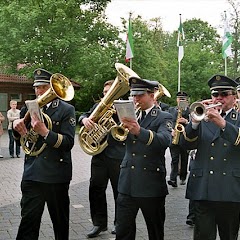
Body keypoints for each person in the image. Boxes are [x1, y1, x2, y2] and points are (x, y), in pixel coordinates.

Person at [13, 68, 76, 240]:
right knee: (28, 222)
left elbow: (69, 143)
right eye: (36, 87)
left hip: (56, 175)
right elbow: (21, 137)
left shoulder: (66, 109)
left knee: (60, 223)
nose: (39, 91)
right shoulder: (28, 107)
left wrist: (45, 132)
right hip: (32, 173)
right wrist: (16, 128)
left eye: (43, 87)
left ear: (52, 88)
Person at [181, 74, 240, 240]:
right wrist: (194, 122)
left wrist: (222, 123)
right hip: (203, 188)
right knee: (203, 236)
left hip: (230, 189)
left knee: (229, 235)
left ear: (234, 97)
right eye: (215, 95)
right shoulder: (203, 117)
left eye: (224, 94)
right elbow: (186, 144)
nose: (219, 98)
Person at [116, 77, 173, 240]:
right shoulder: (128, 114)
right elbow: (114, 139)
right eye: (133, 95)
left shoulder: (163, 116)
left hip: (151, 184)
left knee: (155, 231)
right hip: (127, 183)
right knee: (123, 231)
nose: (135, 99)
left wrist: (139, 131)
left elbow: (164, 141)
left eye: (140, 95)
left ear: (152, 95)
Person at [78, 80, 126, 238]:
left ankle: (119, 223)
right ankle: (99, 224)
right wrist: (84, 120)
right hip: (99, 155)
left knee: (118, 191)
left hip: (117, 155)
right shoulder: (99, 106)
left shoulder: (123, 107)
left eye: (109, 91)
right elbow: (85, 114)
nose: (106, 94)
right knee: (95, 189)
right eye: (105, 92)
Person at [167, 91, 190, 187]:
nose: (181, 100)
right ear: (176, 100)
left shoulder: (189, 111)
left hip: (184, 138)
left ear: (186, 100)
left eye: (183, 99)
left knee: (184, 159)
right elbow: (167, 122)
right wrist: (170, 129)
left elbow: (195, 124)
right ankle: (173, 179)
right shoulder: (171, 110)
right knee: (174, 159)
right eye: (179, 98)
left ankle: (183, 177)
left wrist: (187, 121)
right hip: (174, 137)